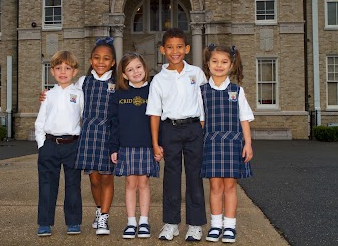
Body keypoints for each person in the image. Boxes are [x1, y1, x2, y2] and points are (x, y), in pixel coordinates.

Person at [40, 37, 117, 235]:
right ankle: (96, 210)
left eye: (106, 58)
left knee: (96, 180)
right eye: (97, 58)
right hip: (81, 139)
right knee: (91, 180)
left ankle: (96, 219)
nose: (101, 62)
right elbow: (51, 114)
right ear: (91, 60)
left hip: (99, 139)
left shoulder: (115, 84)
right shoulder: (83, 82)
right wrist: (41, 142)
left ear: (113, 62)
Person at [145, 28, 207, 242]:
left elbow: (204, 102)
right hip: (169, 130)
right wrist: (155, 142)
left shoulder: (196, 73)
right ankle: (171, 223)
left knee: (194, 176)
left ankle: (195, 224)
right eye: (170, 47)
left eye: (179, 47)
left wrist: (201, 125)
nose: (175, 51)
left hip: (193, 129)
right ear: (162, 50)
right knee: (171, 178)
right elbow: (154, 113)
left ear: (187, 49)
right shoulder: (159, 80)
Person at [201, 44, 254, 244]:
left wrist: (247, 144)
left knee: (230, 186)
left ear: (231, 65)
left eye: (224, 62)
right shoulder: (202, 91)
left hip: (233, 144)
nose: (219, 65)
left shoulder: (237, 91)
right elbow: (201, 121)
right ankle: (215, 225)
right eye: (214, 61)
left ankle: (229, 226)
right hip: (212, 144)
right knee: (215, 187)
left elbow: (244, 119)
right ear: (208, 64)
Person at [109, 52, 160, 239]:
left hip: (147, 145)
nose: (135, 72)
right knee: (130, 183)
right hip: (126, 146)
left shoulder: (153, 91)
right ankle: (131, 222)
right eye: (130, 69)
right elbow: (114, 122)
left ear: (144, 68)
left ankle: (144, 221)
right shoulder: (119, 94)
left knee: (144, 183)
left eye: (138, 67)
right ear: (124, 75)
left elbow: (159, 120)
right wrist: (113, 147)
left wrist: (158, 145)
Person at [35, 50, 84, 237]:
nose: (63, 72)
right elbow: (40, 121)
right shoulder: (48, 95)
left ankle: (73, 222)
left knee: (73, 185)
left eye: (67, 68)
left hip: (72, 145)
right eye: (58, 68)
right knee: (47, 185)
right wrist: (42, 143)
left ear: (74, 71)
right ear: (52, 72)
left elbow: (83, 118)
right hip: (50, 145)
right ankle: (45, 223)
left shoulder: (79, 94)